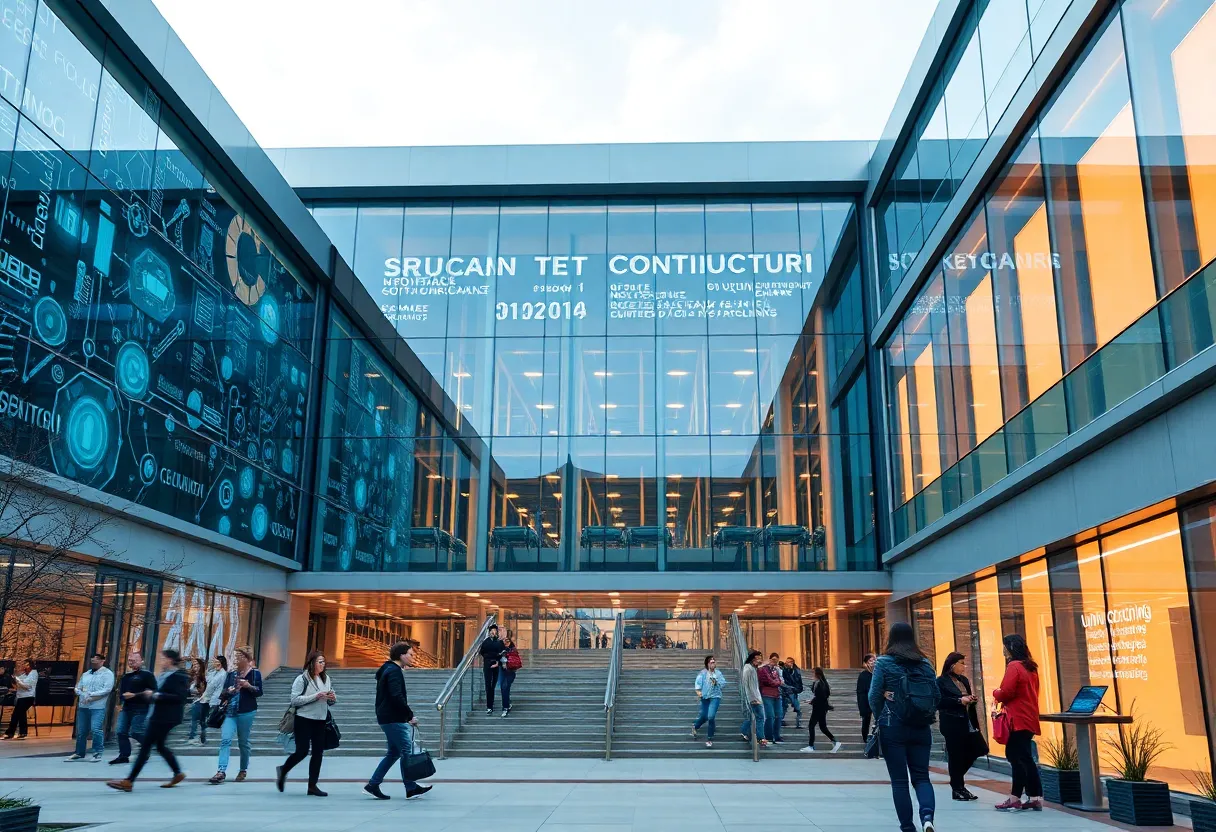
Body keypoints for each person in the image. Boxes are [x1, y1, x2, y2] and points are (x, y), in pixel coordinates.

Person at [869, 622, 941, 832]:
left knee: (899, 781)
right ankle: (927, 817)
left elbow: (873, 696)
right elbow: (936, 695)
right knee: (922, 777)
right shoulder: (925, 663)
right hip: (921, 726)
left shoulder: (883, 662)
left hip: (893, 725)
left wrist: (880, 714)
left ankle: (908, 827)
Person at [105, 650, 189, 791]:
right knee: (160, 746)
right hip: (158, 715)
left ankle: (129, 781)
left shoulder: (179, 675)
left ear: (170, 660)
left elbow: (180, 697)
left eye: (164, 658)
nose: (161, 661)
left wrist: (156, 695)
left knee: (145, 748)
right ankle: (178, 773)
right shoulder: (164, 675)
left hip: (166, 717)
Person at [364, 641, 432, 801]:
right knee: (406, 751)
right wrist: (409, 716)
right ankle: (410, 787)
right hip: (393, 718)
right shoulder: (394, 671)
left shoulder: (387, 669)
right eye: (410, 654)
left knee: (393, 753)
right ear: (401, 655)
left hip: (387, 717)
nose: (412, 657)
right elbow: (396, 696)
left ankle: (373, 785)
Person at [992, 634, 1043, 812]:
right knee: (1024, 757)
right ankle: (1033, 796)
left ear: (1010, 648)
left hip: (1017, 718)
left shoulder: (1014, 666)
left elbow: (1006, 692)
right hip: (1029, 717)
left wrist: (995, 692)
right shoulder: (1031, 667)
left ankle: (1016, 797)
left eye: (1004, 646)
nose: (1003, 650)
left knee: (1016, 757)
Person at [277, 650, 336, 797]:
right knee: (302, 751)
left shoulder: (326, 678)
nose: (322, 664)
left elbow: (330, 700)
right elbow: (295, 700)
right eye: (319, 661)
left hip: (321, 720)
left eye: (324, 661)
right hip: (304, 719)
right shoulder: (301, 679)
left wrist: (332, 698)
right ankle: (284, 769)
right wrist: (316, 696)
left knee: (318, 753)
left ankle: (312, 786)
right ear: (312, 663)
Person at [208, 646, 262, 784]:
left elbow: (259, 692)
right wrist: (229, 691)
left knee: (243, 742)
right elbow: (223, 693)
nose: (236, 659)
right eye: (235, 656)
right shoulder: (231, 674)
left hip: (246, 712)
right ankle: (221, 771)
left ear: (246, 658)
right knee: (225, 740)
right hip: (230, 712)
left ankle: (243, 769)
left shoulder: (255, 674)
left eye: (239, 656)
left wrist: (248, 686)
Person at [937, 652, 982, 801]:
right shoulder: (941, 681)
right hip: (951, 722)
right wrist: (958, 701)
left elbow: (967, 697)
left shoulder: (964, 680)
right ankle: (958, 788)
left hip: (967, 721)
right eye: (961, 663)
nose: (964, 666)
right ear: (952, 664)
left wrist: (971, 699)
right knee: (955, 756)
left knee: (978, 749)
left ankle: (956, 782)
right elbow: (939, 702)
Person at [110, 652, 156, 765]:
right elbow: (121, 693)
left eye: (134, 660)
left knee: (136, 732)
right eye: (130, 660)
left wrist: (135, 695)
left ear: (141, 661)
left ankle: (146, 748)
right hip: (126, 708)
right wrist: (123, 698)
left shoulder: (147, 675)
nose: (131, 662)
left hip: (141, 709)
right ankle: (124, 755)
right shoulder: (126, 676)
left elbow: (153, 691)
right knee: (120, 731)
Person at [66, 653, 113, 762]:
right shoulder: (87, 674)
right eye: (92, 661)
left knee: (96, 729)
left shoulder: (107, 674)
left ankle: (97, 752)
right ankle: (79, 752)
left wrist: (91, 696)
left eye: (96, 661)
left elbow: (107, 689)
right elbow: (78, 687)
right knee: (82, 731)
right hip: (83, 706)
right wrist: (79, 692)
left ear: (102, 661)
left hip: (97, 707)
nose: (94, 663)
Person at [802, 667, 842, 753]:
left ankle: (811, 746)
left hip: (818, 708)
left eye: (813, 673)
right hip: (822, 707)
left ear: (817, 674)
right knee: (823, 727)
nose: (812, 675)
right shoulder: (822, 683)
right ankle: (835, 741)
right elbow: (822, 696)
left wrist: (812, 701)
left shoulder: (819, 684)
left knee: (811, 725)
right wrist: (812, 701)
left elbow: (820, 696)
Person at [691, 655, 726, 747]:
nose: (713, 664)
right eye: (711, 662)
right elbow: (697, 685)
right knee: (704, 716)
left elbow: (723, 683)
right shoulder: (702, 673)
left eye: (714, 662)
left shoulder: (718, 673)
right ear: (707, 664)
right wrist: (699, 693)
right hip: (705, 697)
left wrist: (717, 682)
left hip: (716, 697)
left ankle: (710, 738)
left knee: (711, 716)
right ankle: (695, 726)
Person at [2, 659, 37, 740]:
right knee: (21, 714)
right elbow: (18, 683)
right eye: (24, 664)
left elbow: (27, 686)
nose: (25, 666)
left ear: (31, 665)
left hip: (28, 697)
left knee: (16, 714)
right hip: (21, 697)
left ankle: (10, 733)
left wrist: (17, 679)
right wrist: (14, 678)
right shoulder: (24, 674)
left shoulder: (33, 673)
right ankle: (22, 733)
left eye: (27, 665)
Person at [739, 649, 766, 746]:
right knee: (760, 717)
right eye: (757, 659)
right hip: (753, 699)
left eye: (760, 658)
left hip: (756, 697)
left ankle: (744, 730)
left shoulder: (753, 669)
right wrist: (752, 698)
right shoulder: (748, 668)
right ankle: (760, 738)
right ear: (752, 659)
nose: (760, 661)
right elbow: (746, 685)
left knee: (752, 717)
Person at [479, 624, 505, 715]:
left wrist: (497, 661)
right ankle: (489, 706)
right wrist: (493, 656)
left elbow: (502, 652)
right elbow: (482, 652)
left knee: (493, 685)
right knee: (488, 685)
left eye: (495, 631)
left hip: (496, 664)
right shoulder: (485, 642)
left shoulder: (499, 642)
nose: (493, 633)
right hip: (487, 664)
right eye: (492, 631)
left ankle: (491, 703)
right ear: (489, 632)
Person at [758, 653, 784, 744]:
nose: (775, 662)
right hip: (767, 695)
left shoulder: (778, 670)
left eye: (776, 660)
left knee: (779, 716)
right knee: (770, 716)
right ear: (769, 659)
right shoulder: (763, 669)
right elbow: (769, 681)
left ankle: (776, 736)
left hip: (777, 695)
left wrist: (777, 681)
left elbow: (781, 681)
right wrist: (777, 682)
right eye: (773, 659)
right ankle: (768, 736)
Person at [499, 635, 520, 717]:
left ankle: (505, 707)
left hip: (510, 672)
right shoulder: (500, 650)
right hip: (502, 672)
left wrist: (506, 655)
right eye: (504, 641)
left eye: (507, 641)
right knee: (504, 688)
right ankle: (507, 703)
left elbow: (516, 661)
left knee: (505, 687)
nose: (506, 642)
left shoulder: (513, 650)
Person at [858, 653, 876, 744]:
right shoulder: (863, 675)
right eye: (870, 660)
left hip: (876, 700)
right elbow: (860, 692)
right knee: (866, 720)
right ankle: (865, 739)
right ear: (866, 663)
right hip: (865, 700)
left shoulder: (877, 673)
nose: (873, 662)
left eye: (874, 660)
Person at [781, 657, 803, 729]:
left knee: (797, 708)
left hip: (793, 691)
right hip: (786, 690)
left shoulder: (796, 670)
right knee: (784, 706)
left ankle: (798, 723)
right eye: (787, 662)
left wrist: (798, 689)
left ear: (793, 663)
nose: (787, 663)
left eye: (790, 662)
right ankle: (780, 720)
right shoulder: (783, 669)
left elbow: (799, 681)